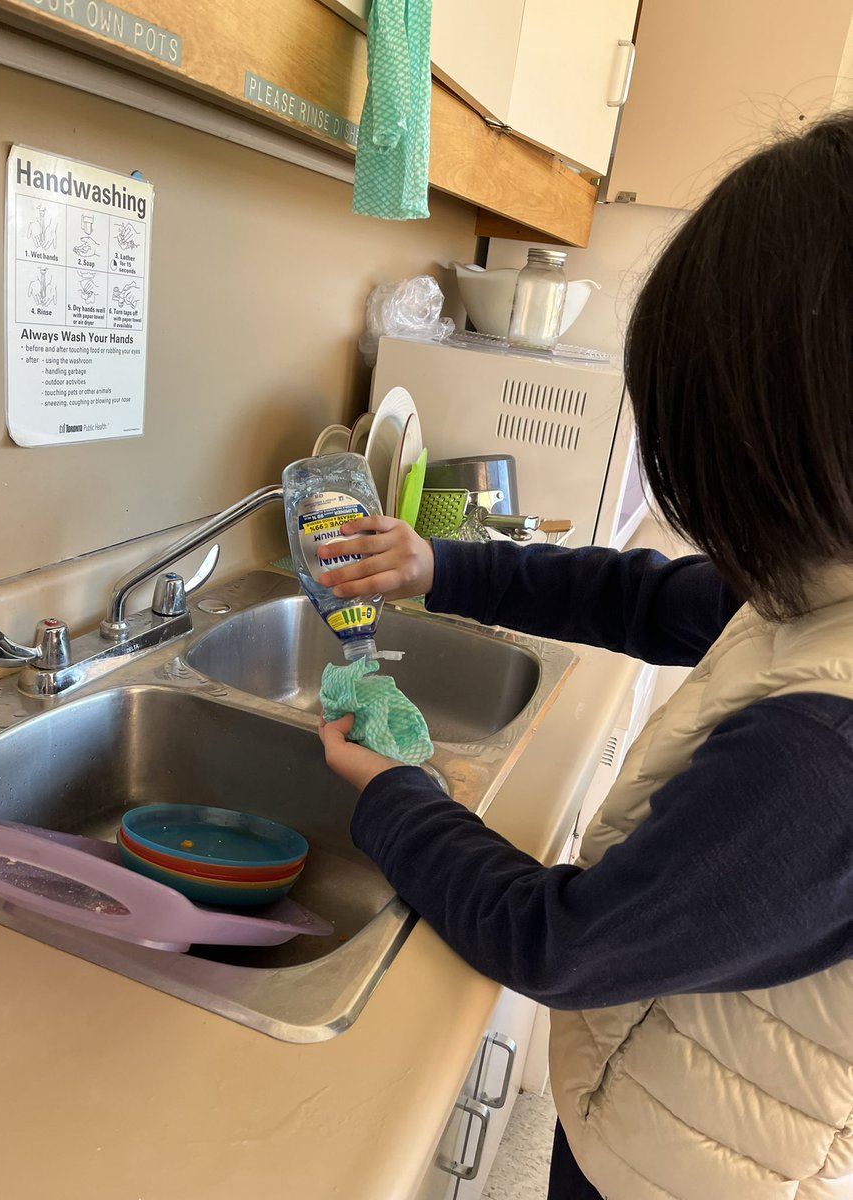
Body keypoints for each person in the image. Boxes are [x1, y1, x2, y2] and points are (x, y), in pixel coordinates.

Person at [317, 111, 853, 1200]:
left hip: (693, 1166)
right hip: (669, 1089)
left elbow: (562, 944)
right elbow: (650, 598)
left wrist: (395, 799)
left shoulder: (824, 752)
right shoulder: (821, 582)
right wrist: (443, 565)